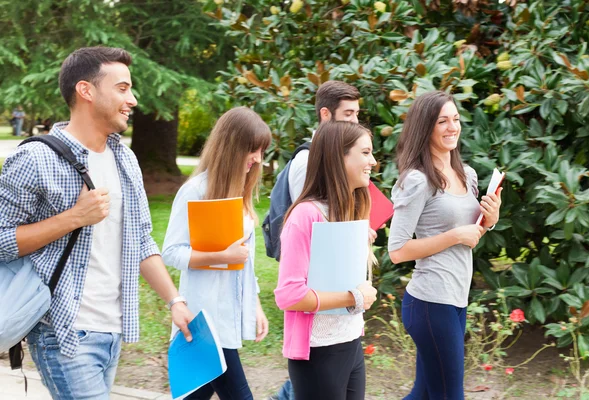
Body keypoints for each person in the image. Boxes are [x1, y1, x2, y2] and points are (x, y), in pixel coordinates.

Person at [0, 46, 194, 399]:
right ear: (86, 91)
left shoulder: (125, 158)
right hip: (63, 331)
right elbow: (1, 240)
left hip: (113, 330)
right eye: (122, 88)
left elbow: (141, 240)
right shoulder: (35, 158)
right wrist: (74, 218)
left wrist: (175, 301)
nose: (132, 99)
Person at [387, 91, 502, 399]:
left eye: (456, 119)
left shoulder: (467, 175)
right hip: (429, 302)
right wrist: (455, 236)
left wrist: (488, 221)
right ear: (426, 127)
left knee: (423, 393)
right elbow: (397, 251)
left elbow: (469, 237)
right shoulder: (418, 180)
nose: (453, 127)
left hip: (455, 299)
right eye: (442, 121)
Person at [270, 80, 372, 400]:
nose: (372, 162)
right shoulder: (305, 215)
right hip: (318, 351)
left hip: (350, 341)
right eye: (366, 153)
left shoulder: (352, 209)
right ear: (339, 159)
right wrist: (353, 296)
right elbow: (288, 295)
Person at [162, 106, 272, 400]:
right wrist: (220, 256)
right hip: (206, 319)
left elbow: (244, 261)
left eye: (261, 150)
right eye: (253, 149)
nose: (258, 158)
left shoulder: (240, 191)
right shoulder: (195, 191)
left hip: (227, 316)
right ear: (232, 146)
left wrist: (255, 304)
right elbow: (171, 252)